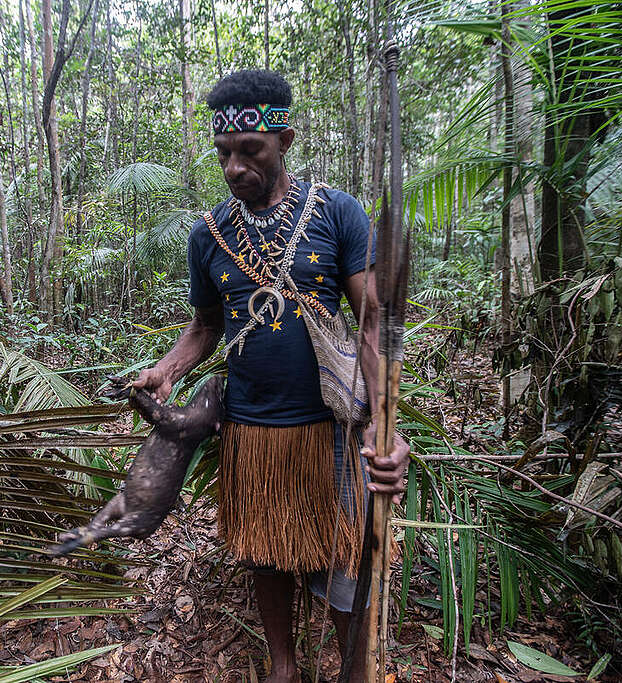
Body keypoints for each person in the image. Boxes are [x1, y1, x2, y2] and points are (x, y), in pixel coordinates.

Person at [132, 70, 410, 683]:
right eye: (224, 152)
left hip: (331, 429)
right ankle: (283, 668)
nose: (235, 166)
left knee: (343, 562)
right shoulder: (208, 234)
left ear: (283, 138)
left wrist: (386, 427)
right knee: (265, 554)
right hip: (253, 431)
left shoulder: (336, 213)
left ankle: (353, 671)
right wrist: (166, 370)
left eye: (250, 150)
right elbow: (205, 327)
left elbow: (373, 325)